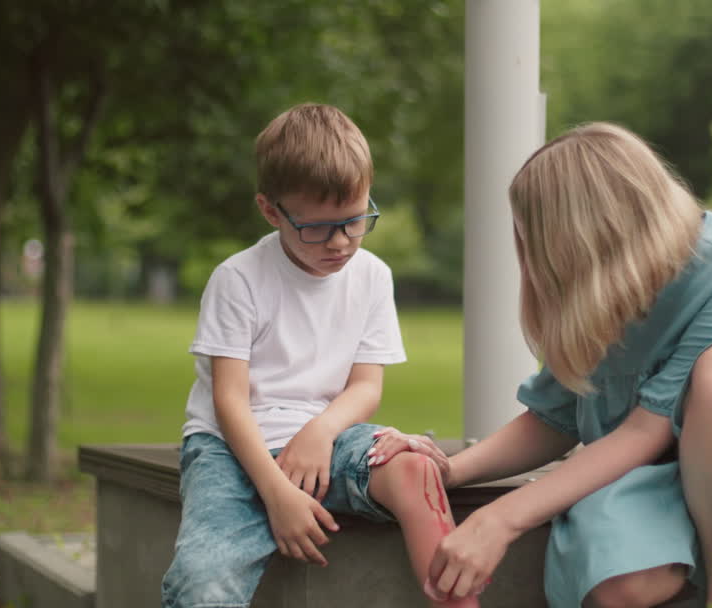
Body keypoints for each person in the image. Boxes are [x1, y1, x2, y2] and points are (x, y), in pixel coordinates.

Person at [373, 123, 712, 607]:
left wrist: (501, 519)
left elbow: (647, 431)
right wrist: (449, 470)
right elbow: (554, 417)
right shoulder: (607, 292)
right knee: (620, 586)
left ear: (581, 237)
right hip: (662, 479)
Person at [161, 103, 476, 608]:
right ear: (271, 211)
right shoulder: (238, 279)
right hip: (232, 449)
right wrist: (277, 493)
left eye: (355, 221)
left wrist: (319, 432)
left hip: (329, 436)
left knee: (414, 467)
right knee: (202, 582)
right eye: (318, 228)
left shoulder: (372, 276)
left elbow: (366, 387)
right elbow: (229, 401)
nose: (341, 243)